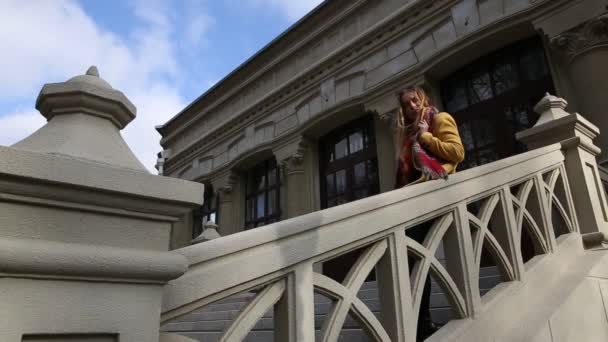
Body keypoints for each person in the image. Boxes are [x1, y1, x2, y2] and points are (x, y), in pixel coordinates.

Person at [394, 86, 465, 341]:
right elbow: (404, 176)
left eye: (414, 101)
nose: (412, 107)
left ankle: (422, 323)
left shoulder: (439, 119)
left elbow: (457, 153)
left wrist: (425, 137)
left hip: (435, 195)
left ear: (422, 98)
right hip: (413, 203)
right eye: (406, 105)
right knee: (412, 262)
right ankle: (417, 323)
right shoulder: (407, 135)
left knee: (418, 261)